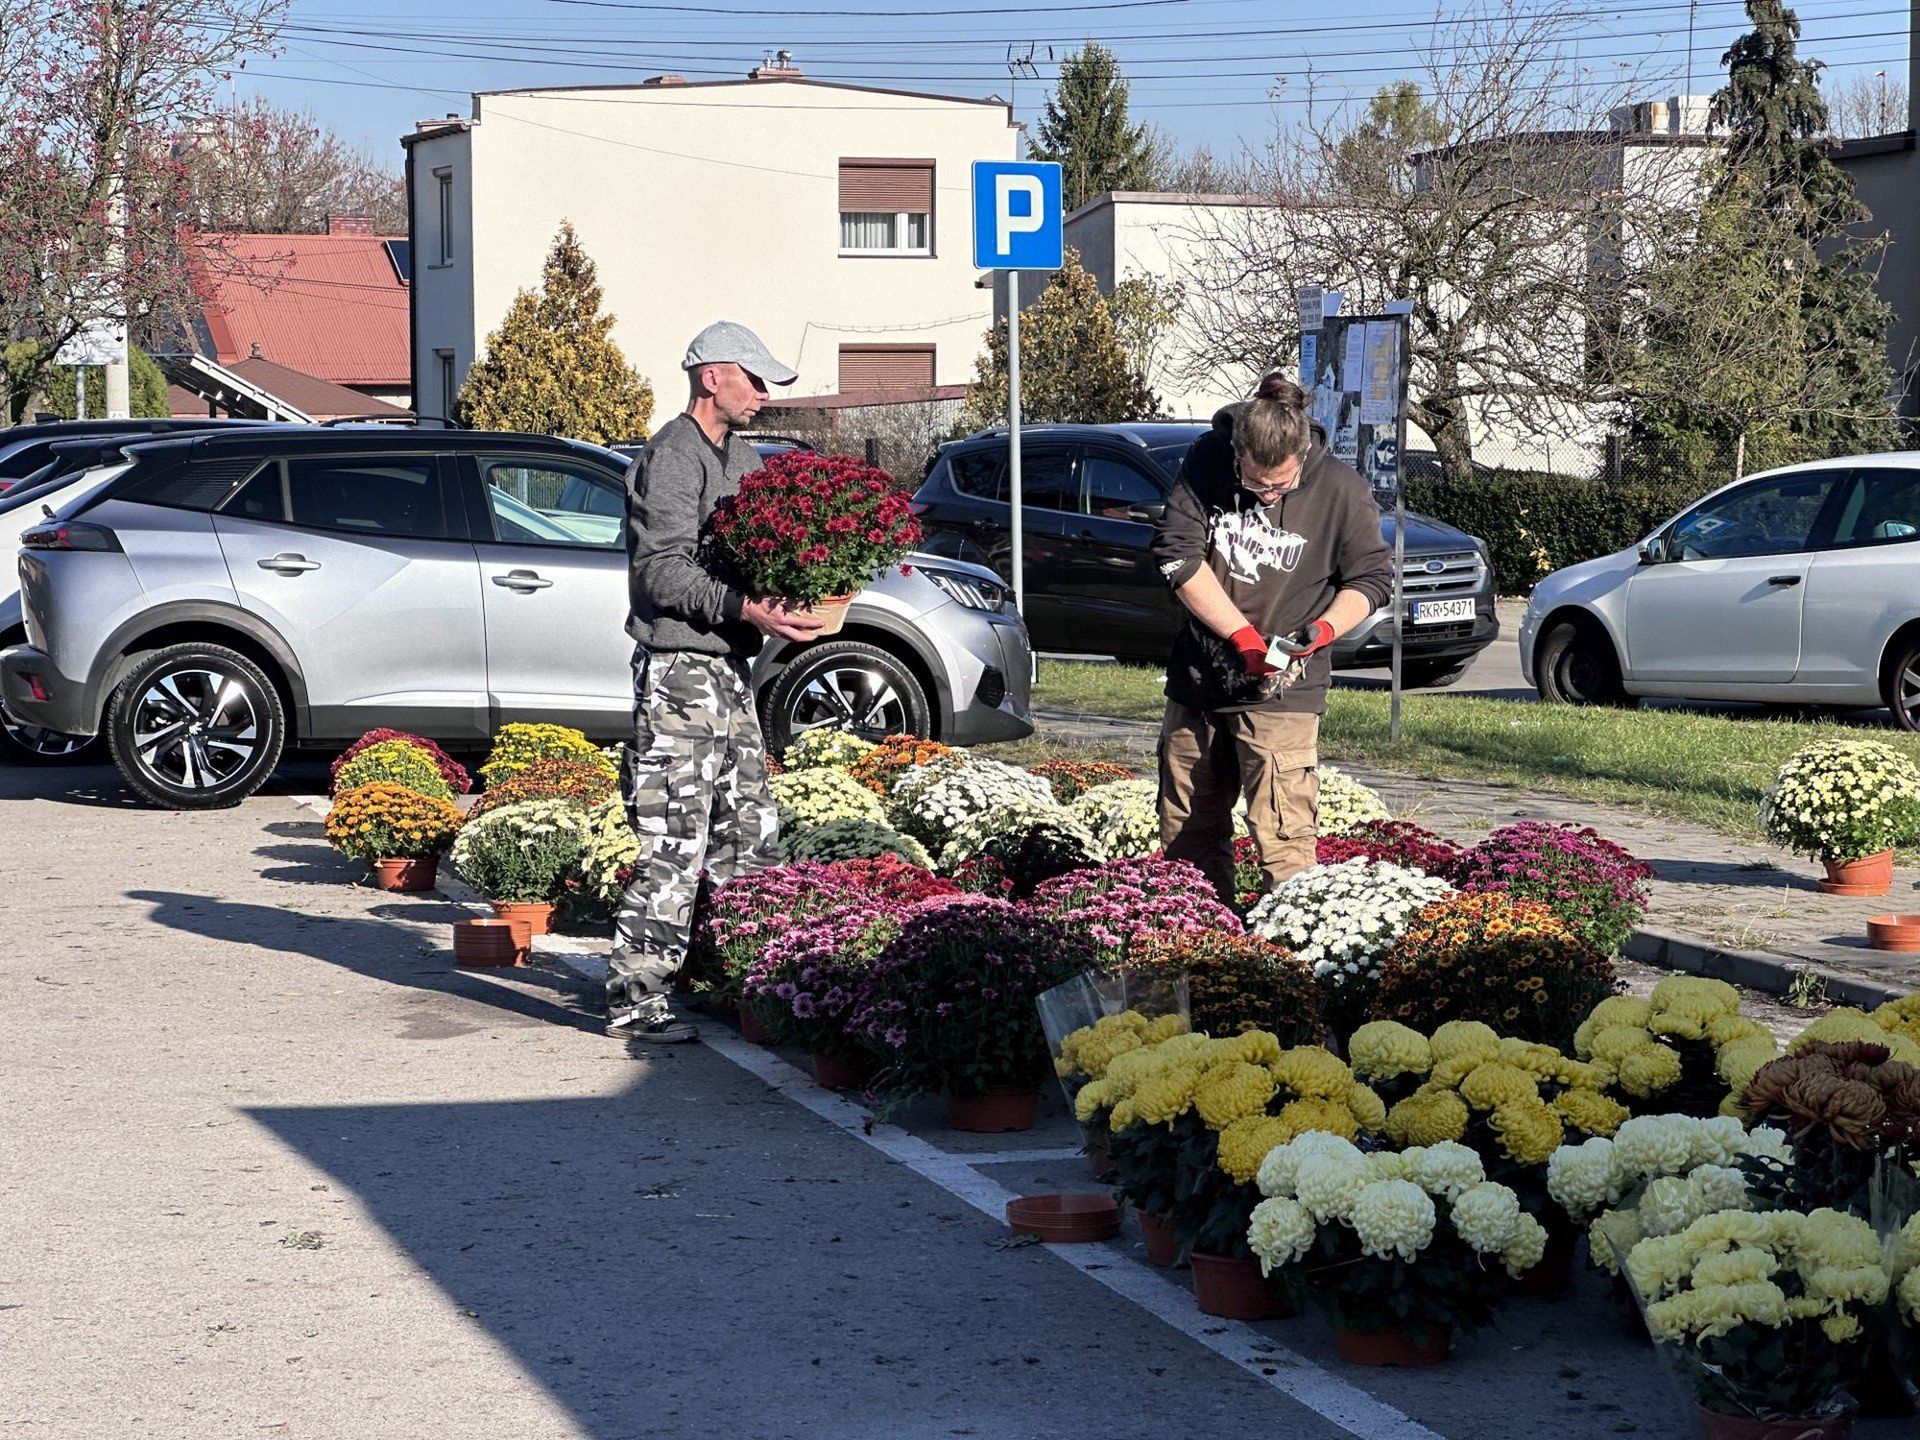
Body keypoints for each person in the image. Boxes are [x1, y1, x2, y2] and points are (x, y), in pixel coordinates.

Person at [609, 321, 824, 1043]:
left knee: (750, 834)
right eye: (754, 379)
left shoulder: (741, 455)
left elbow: (761, 547)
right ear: (712, 377)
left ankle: (746, 986)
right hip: (680, 672)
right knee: (674, 839)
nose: (765, 395)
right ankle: (637, 998)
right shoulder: (672, 458)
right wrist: (744, 606)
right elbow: (661, 570)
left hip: (727, 669)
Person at [1150, 373, 1394, 903]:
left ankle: (1288, 969)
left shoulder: (1342, 491)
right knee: (1184, 839)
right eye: (1255, 485)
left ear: (1302, 454)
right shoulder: (1206, 461)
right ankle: (1201, 955)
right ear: (1237, 453)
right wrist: (1241, 636)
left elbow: (1372, 581)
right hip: (1199, 680)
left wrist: (1321, 631)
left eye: (1278, 488)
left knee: (1284, 842)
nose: (1264, 497)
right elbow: (1176, 555)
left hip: (1285, 693)